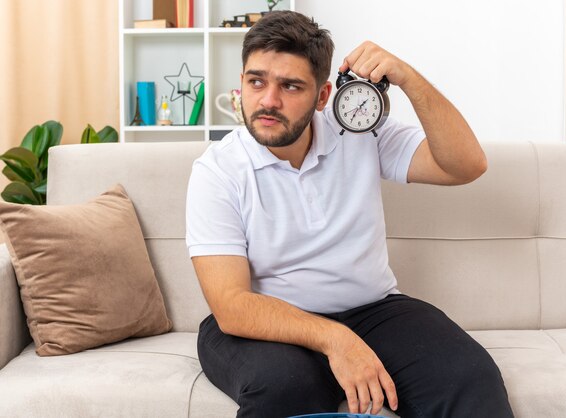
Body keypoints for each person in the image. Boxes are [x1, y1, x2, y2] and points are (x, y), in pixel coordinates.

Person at [186, 10, 514, 418]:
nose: (268, 100)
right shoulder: (217, 170)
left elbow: (466, 164)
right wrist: (335, 340)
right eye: (256, 82)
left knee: (468, 377)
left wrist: (408, 78)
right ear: (241, 84)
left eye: (290, 86)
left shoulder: (358, 129)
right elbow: (232, 305)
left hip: (373, 309)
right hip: (262, 320)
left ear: (323, 97)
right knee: (286, 389)